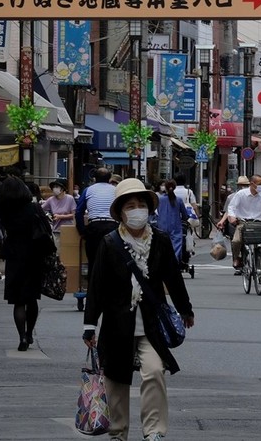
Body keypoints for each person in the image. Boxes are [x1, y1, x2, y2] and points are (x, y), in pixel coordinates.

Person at [82, 179, 194, 441]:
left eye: (141, 204)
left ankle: (154, 431)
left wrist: (185, 310)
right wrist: (90, 324)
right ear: (121, 212)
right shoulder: (109, 242)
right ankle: (117, 432)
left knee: (154, 371)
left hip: (151, 324)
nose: (137, 210)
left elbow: (173, 278)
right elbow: (97, 286)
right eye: (130, 206)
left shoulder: (160, 240)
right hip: (117, 323)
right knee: (116, 379)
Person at [0, 177, 50, 351]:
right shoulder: (33, 208)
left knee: (18, 301)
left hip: (14, 256)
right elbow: (47, 229)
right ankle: (29, 332)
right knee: (31, 298)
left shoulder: (4, 211)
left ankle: (21, 337)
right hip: (34, 255)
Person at [225, 174, 261, 278]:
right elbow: (231, 207)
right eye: (259, 184)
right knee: (236, 241)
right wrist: (232, 217)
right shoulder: (241, 194)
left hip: (260, 224)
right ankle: (237, 257)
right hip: (243, 223)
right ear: (252, 184)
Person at [75, 168, 118, 275]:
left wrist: (82, 231)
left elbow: (79, 212)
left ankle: (93, 284)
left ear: (95, 178)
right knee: (112, 261)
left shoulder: (88, 190)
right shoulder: (116, 190)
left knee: (93, 261)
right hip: (113, 226)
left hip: (95, 227)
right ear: (109, 178)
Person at [157, 179, 189, 263]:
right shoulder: (178, 200)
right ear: (174, 188)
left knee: (162, 245)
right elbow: (185, 215)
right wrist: (186, 219)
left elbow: (158, 212)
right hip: (175, 226)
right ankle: (175, 262)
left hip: (161, 226)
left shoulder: (160, 199)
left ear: (165, 188)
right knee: (176, 246)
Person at [42, 178, 77, 249]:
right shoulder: (51, 200)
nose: (54, 189)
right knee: (58, 251)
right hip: (56, 230)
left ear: (63, 188)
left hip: (68, 229)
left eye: (57, 187)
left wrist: (60, 216)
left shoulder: (70, 198)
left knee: (68, 250)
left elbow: (74, 215)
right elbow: (41, 209)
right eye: (54, 187)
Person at [216, 175, 250, 242]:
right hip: (236, 223)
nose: (243, 187)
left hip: (250, 222)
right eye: (242, 185)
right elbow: (228, 211)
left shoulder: (253, 196)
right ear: (238, 186)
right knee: (235, 241)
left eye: (245, 185)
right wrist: (222, 221)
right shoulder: (231, 197)